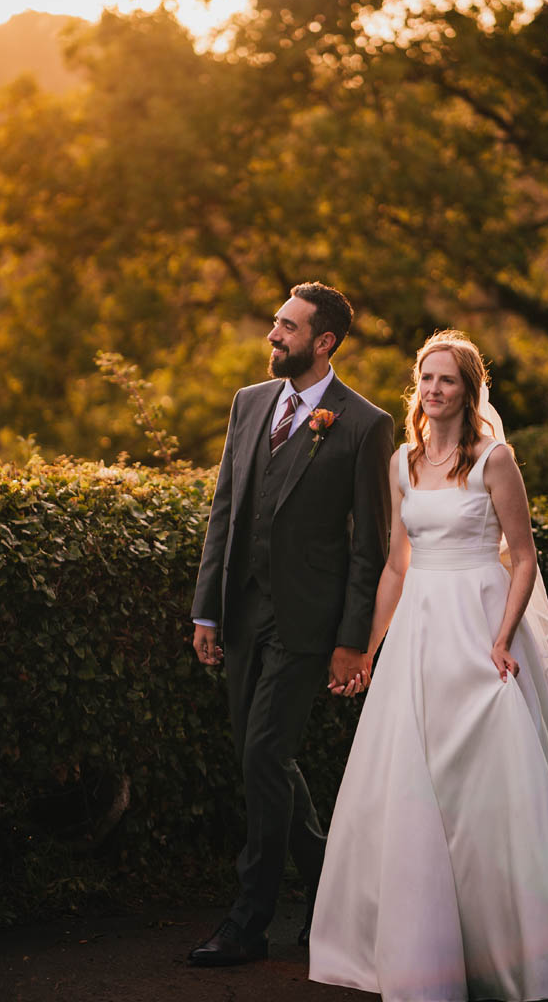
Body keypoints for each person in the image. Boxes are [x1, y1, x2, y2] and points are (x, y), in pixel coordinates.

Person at [310, 330, 548, 1002]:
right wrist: (367, 648)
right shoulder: (402, 462)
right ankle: (434, 953)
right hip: (418, 638)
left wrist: (501, 638)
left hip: (481, 630)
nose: (433, 390)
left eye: (447, 380)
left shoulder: (495, 459)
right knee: (413, 788)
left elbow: (523, 556)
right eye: (425, 379)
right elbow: (398, 564)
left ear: (469, 390)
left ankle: (534, 957)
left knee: (501, 795)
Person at [187, 281, 393, 968]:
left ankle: (249, 922)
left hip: (307, 626)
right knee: (265, 756)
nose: (273, 336)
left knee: (263, 755)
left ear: (323, 342)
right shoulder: (248, 404)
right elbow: (225, 510)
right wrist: (208, 608)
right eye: (276, 324)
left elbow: (370, 548)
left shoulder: (364, 424)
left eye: (288, 327)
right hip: (243, 613)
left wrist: (351, 642)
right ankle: (340, 891)